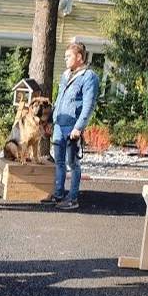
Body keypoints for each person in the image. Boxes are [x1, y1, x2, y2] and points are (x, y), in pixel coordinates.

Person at [42, 42, 99, 210]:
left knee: (72, 163)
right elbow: (59, 100)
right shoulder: (66, 74)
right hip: (59, 125)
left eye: (69, 56)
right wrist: (51, 121)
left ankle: (72, 198)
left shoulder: (89, 77)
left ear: (79, 57)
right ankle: (58, 194)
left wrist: (78, 128)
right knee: (59, 162)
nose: (65, 59)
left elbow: (88, 106)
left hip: (72, 127)